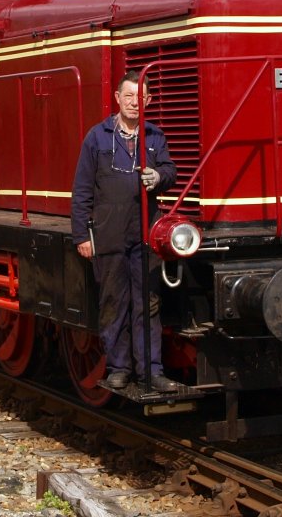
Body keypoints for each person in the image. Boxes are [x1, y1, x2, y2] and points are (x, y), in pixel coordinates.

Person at [71, 71, 178, 392]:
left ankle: (152, 372)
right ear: (117, 98)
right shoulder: (97, 137)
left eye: (140, 98)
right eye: (128, 96)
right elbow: (82, 189)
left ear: (148, 101)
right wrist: (81, 235)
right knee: (113, 302)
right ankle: (119, 368)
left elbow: (170, 171)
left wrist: (158, 177)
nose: (134, 103)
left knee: (148, 303)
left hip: (145, 233)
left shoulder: (155, 136)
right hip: (109, 233)